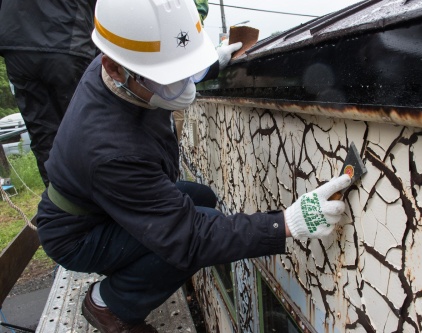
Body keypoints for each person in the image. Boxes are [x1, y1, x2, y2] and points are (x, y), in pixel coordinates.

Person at [35, 0, 352, 332]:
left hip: (103, 204)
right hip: (79, 234)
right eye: (171, 76)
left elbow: (164, 64)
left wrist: (209, 61)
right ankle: (109, 302)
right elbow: (188, 239)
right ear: (113, 68)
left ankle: (130, 272)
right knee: (198, 231)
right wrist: (285, 223)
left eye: (186, 69)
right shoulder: (109, 148)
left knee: (201, 197)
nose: (185, 85)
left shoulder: (126, 66)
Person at [0, 0, 98, 187]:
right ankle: (92, 202)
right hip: (66, 36)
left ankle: (58, 204)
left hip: (17, 41)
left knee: (44, 135)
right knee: (86, 128)